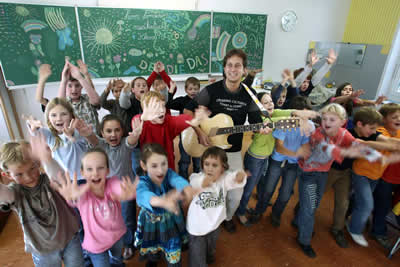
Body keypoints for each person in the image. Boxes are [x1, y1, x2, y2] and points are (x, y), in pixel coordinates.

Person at [192, 48, 271, 233]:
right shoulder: (211, 90)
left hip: (233, 149)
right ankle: (207, 219)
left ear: (244, 70)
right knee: (208, 189)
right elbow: (189, 112)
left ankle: (227, 216)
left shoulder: (250, 93)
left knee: (236, 193)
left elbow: (254, 121)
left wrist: (262, 127)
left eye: (238, 66)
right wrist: (199, 132)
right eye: (229, 65)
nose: (233, 69)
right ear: (225, 68)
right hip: (209, 149)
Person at [293, 103, 371, 258]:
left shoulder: (344, 134)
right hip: (307, 174)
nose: (326, 122)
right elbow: (328, 148)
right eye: (324, 119)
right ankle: (304, 240)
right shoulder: (317, 134)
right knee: (309, 208)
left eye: (332, 119)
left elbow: (355, 144)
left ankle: (300, 221)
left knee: (313, 205)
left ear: (343, 122)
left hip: (323, 174)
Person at [0, 137, 84, 267]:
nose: (28, 177)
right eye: (19, 174)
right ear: (7, 175)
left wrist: (48, 159)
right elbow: (4, 195)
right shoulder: (15, 192)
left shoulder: (49, 180)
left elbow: (60, 178)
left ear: (38, 163)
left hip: (70, 239)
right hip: (42, 250)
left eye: (32, 168)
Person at [236, 93, 314, 225]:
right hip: (256, 158)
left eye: (271, 101)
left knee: (265, 185)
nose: (270, 104)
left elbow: (285, 112)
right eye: (265, 103)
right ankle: (241, 211)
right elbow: (276, 125)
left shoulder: (276, 113)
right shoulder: (263, 119)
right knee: (250, 187)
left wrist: (299, 113)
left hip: (266, 158)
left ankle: (257, 209)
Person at [52, 148, 138, 267]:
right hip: (96, 246)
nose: (95, 173)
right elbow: (74, 198)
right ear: (82, 172)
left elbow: (119, 188)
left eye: (100, 168)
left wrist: (127, 192)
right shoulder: (82, 192)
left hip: (117, 237)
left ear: (107, 171)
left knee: (117, 260)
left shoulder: (112, 183)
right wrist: (71, 196)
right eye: (89, 169)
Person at [348, 103, 400, 248]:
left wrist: (390, 155)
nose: (399, 119)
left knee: (360, 200)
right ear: (384, 120)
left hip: (375, 176)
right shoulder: (380, 130)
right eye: (395, 117)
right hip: (361, 173)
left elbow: (394, 146)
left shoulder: (395, 132)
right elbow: (387, 143)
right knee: (366, 204)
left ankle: (348, 216)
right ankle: (355, 230)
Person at [135, 143, 195, 267]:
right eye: (154, 166)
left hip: (171, 224)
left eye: (164, 164)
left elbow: (177, 179)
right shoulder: (143, 182)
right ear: (143, 165)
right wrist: (163, 201)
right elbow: (143, 196)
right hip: (151, 225)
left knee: (173, 252)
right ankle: (153, 258)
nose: (161, 170)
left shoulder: (169, 173)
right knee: (153, 245)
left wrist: (187, 187)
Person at [187, 146, 247, 267]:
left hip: (214, 224)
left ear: (223, 168)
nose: (209, 168)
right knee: (197, 257)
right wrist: (204, 182)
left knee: (211, 247)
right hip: (196, 228)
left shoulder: (224, 179)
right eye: (206, 164)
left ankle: (209, 256)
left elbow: (234, 178)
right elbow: (194, 181)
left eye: (215, 165)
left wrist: (239, 176)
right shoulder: (197, 177)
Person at [92, 114, 142, 260]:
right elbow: (92, 139)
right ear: (102, 133)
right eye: (108, 131)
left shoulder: (126, 144)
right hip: (107, 191)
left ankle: (128, 244)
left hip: (126, 189)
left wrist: (137, 133)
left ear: (122, 131)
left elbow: (132, 141)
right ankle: (113, 241)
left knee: (127, 218)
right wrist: (87, 133)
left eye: (117, 130)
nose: (113, 134)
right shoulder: (102, 144)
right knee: (110, 217)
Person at [133, 91, 208, 171]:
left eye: (163, 106)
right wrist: (143, 118)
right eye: (156, 107)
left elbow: (188, 119)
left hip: (168, 169)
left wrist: (199, 132)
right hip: (149, 170)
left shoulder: (169, 120)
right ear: (145, 110)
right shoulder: (140, 121)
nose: (162, 110)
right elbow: (136, 121)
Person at [25, 97, 96, 181]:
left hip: (85, 178)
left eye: (63, 114)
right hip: (65, 181)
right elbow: (34, 131)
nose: (58, 118)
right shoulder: (50, 135)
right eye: (53, 115)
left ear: (71, 116)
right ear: (48, 118)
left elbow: (74, 139)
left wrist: (70, 136)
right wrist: (32, 125)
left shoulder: (78, 130)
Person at [167, 77, 202, 178]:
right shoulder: (182, 101)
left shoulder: (201, 101)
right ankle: (183, 180)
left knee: (198, 160)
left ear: (199, 89)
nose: (193, 91)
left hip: (198, 135)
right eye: (190, 89)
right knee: (185, 160)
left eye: (195, 89)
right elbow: (168, 104)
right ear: (186, 90)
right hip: (185, 135)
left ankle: (198, 179)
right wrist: (171, 90)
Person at [58, 59, 101, 134]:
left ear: (82, 86)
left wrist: (80, 77)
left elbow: (96, 101)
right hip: (78, 143)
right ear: (65, 86)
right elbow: (59, 106)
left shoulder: (87, 98)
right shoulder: (66, 103)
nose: (74, 90)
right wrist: (64, 80)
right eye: (70, 86)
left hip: (95, 142)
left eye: (77, 85)